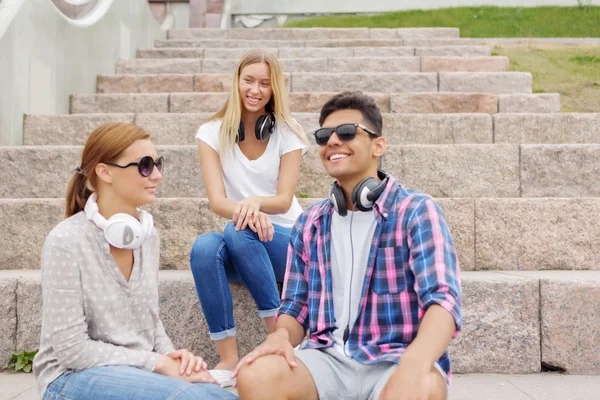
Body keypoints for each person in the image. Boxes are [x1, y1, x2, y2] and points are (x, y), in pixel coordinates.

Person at [233, 91, 463, 400]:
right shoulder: (310, 222)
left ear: (378, 145)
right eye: (325, 135)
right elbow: (296, 306)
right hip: (326, 358)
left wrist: (416, 362)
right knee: (256, 375)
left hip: (395, 358)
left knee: (418, 389)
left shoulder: (416, 210)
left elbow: (443, 302)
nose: (333, 142)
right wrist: (282, 336)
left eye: (346, 133)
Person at [32, 122, 237, 400]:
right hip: (69, 377)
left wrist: (172, 357)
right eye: (144, 165)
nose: (156, 175)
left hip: (136, 370)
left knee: (221, 395)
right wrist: (158, 363)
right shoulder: (66, 241)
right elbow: (72, 350)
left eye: (157, 164)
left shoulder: (147, 236)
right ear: (104, 171)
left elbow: (151, 326)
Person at [189, 49, 308, 371]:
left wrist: (254, 204)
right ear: (236, 82)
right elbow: (217, 201)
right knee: (204, 248)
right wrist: (249, 213)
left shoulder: (288, 131)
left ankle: (278, 338)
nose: (255, 90)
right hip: (246, 241)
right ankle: (228, 358)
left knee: (237, 229)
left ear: (274, 90)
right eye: (249, 81)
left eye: (265, 84)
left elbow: (283, 200)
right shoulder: (211, 132)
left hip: (288, 243)